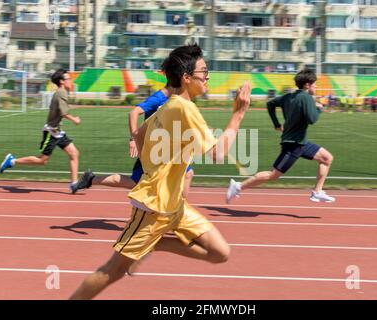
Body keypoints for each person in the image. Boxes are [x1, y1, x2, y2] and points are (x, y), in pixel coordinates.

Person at [69, 44, 251, 300]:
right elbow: (218, 154)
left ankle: (157, 243)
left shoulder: (169, 106)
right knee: (113, 270)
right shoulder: (184, 108)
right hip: (153, 208)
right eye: (204, 72)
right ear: (187, 78)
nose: (208, 77)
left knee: (220, 252)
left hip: (175, 205)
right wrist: (238, 114)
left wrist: (155, 160)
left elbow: (141, 133)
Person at [226, 69, 335, 204]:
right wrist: (319, 108)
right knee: (273, 174)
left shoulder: (288, 96)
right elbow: (312, 119)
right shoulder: (306, 97)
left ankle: (317, 192)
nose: (316, 87)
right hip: (293, 144)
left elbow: (270, 104)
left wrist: (277, 124)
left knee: (326, 158)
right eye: (314, 84)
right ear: (307, 85)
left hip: (300, 142)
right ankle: (238, 186)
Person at [74, 83, 194, 198]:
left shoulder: (177, 99)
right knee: (182, 175)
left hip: (167, 149)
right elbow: (134, 113)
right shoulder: (158, 98)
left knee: (184, 175)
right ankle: (176, 210)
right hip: (152, 150)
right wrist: (134, 140)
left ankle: (91, 179)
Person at [0, 69, 81, 193]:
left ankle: (74, 184)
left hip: (57, 131)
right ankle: (11, 160)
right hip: (51, 132)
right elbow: (64, 112)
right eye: (68, 79)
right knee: (42, 160)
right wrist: (74, 119)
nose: (71, 81)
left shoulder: (61, 92)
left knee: (74, 153)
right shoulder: (61, 93)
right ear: (62, 82)